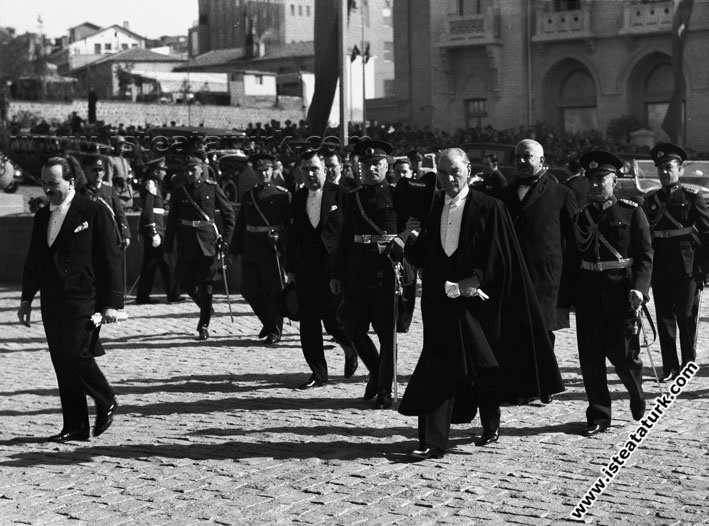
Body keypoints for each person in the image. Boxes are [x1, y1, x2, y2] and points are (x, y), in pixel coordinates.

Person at [399, 148, 564, 460]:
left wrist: (473, 281)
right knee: (437, 365)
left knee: (481, 366)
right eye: (443, 173)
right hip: (438, 301)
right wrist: (412, 238)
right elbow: (425, 257)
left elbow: (500, 255)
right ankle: (432, 441)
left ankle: (490, 422)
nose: (448, 179)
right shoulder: (433, 207)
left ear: (468, 169)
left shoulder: (490, 207)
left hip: (477, 301)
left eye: (454, 172)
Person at [17, 156, 123, 442]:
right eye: (43, 183)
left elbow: (109, 258)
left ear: (71, 182)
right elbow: (35, 261)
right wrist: (27, 299)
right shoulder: (42, 216)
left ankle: (107, 398)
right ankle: (75, 426)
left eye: (53, 183)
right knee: (61, 361)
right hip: (53, 300)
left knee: (78, 354)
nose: (47, 189)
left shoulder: (91, 211)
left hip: (84, 299)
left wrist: (112, 303)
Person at [558, 151, 653, 437]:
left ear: (615, 180)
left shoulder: (631, 211)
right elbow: (571, 262)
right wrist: (563, 303)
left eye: (602, 179)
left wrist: (640, 288)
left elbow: (645, 256)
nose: (596, 185)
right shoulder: (581, 217)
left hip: (621, 294)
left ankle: (636, 392)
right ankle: (599, 415)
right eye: (591, 179)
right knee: (590, 359)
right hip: (589, 295)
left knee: (624, 356)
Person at [330, 140, 414, 410]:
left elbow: (412, 229)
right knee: (350, 323)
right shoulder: (353, 196)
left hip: (388, 271)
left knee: (386, 333)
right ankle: (376, 370)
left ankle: (385, 390)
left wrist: (402, 243)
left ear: (386, 166)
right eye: (365, 165)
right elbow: (345, 238)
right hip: (358, 271)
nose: (370, 169)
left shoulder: (398, 194)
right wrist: (337, 273)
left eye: (376, 164)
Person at [499, 139, 577, 403]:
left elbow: (573, 238)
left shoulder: (560, 194)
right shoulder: (505, 194)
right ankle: (520, 386)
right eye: (518, 156)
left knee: (543, 331)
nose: (521, 161)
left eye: (527, 156)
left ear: (542, 161)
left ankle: (545, 385)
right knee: (516, 331)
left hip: (546, 276)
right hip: (513, 275)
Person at [285, 149, 358, 388]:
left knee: (334, 319)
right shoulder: (298, 197)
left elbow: (351, 234)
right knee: (309, 322)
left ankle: (350, 347)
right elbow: (292, 236)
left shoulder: (341, 195)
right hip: (307, 269)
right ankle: (318, 372)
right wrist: (291, 269)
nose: (310, 174)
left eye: (314, 168)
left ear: (325, 170)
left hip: (335, 270)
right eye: (305, 170)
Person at [642, 143, 709, 382]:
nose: (664, 173)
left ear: (679, 170)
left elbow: (706, 233)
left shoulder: (692, 197)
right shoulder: (651, 199)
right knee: (664, 318)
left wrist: (703, 269)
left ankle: (688, 364)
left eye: (669, 167)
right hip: (661, 265)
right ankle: (670, 367)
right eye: (660, 168)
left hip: (687, 266)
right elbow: (644, 236)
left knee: (686, 317)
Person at [164, 153, 236, 340]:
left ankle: (203, 325)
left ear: (201, 169)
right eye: (186, 170)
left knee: (207, 285)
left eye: (193, 169)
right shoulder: (180, 191)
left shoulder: (212, 188)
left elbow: (229, 215)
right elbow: (171, 222)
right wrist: (167, 247)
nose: (189, 173)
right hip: (187, 243)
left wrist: (226, 240)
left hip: (209, 243)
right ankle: (205, 305)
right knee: (183, 280)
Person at [231, 153, 291, 344]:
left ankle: (275, 331)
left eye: (266, 171)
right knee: (248, 289)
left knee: (275, 290)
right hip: (251, 248)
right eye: (259, 172)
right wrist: (234, 249)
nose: (262, 175)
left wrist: (281, 240)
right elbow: (241, 224)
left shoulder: (282, 195)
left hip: (272, 250)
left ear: (273, 171)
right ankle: (268, 321)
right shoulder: (248, 196)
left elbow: (289, 226)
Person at [136, 156, 182, 304]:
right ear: (155, 171)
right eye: (162, 170)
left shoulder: (156, 185)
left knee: (150, 265)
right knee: (166, 263)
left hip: (156, 229)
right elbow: (148, 210)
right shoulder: (151, 184)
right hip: (155, 230)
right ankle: (173, 294)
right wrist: (153, 231)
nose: (165, 173)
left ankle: (143, 295)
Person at [78, 155, 131, 250]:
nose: (98, 173)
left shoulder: (109, 190)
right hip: (91, 237)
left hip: (109, 236)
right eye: (94, 170)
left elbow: (119, 213)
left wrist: (126, 234)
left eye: (100, 170)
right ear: (87, 171)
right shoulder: (82, 193)